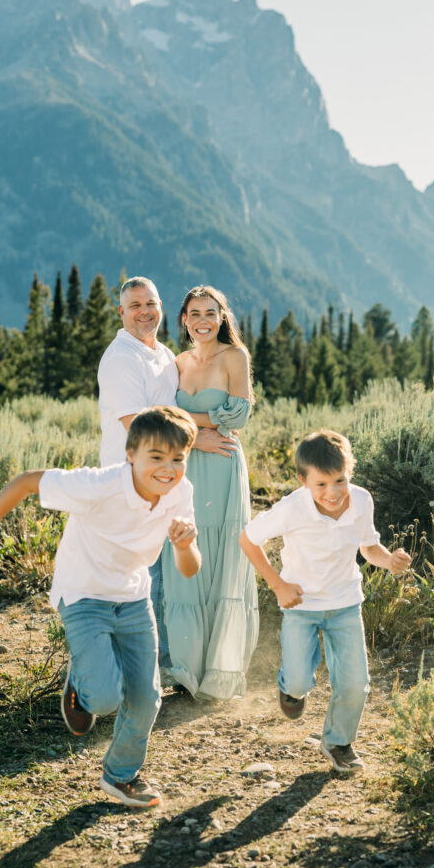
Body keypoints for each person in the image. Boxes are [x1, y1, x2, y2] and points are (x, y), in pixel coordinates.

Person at [0, 406, 201, 808]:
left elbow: (190, 570)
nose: (168, 468)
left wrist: (185, 545)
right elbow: (25, 482)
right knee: (105, 698)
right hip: (84, 595)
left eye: (178, 458)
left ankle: (120, 776)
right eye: (156, 457)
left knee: (147, 699)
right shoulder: (98, 485)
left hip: (134, 599)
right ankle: (84, 685)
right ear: (130, 454)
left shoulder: (181, 492)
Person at [240, 430, 411, 773]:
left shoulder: (361, 500)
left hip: (346, 603)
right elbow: (248, 539)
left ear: (350, 473)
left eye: (340, 481)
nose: (332, 493)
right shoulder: (291, 508)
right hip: (301, 606)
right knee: (300, 680)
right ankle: (292, 686)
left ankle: (338, 743)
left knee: (354, 683)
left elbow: (368, 547)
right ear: (302, 481)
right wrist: (278, 584)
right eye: (321, 485)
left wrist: (388, 560)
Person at [97, 276, 235, 668]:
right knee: (141, 575)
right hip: (131, 482)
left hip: (163, 481)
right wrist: (197, 439)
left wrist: (217, 417)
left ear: (160, 308)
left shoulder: (161, 354)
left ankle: (162, 659)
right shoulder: (121, 358)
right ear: (121, 312)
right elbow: (135, 424)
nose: (144, 312)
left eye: (151, 304)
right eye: (135, 305)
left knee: (160, 573)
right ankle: (137, 666)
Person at [160, 285, 259, 699]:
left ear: (222, 317)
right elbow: (160, 413)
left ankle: (219, 669)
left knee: (221, 554)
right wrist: (198, 427)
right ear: (183, 319)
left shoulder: (234, 356)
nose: (203, 320)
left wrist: (186, 418)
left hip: (221, 462)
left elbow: (238, 414)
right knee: (185, 550)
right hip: (185, 464)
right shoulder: (178, 362)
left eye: (211, 313)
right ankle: (186, 669)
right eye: (194, 313)